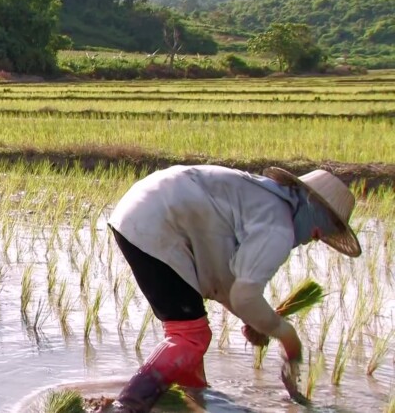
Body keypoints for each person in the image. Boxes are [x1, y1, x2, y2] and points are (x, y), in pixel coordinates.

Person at [107, 164, 361, 412]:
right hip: (156, 222)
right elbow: (244, 295)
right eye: (329, 222)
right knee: (190, 336)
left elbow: (229, 282)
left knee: (190, 334)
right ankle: (127, 406)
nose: (318, 236)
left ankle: (193, 400)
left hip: (140, 208)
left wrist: (257, 321)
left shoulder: (263, 200)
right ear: (310, 203)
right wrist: (286, 334)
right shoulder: (278, 227)